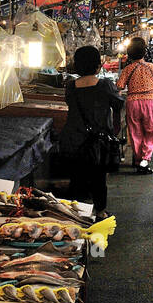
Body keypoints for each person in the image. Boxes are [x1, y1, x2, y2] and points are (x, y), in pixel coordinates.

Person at [61, 45, 124, 220]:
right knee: (98, 178)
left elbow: (70, 105)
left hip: (74, 138)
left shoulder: (71, 86)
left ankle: (77, 213)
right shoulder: (105, 85)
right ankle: (100, 212)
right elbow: (118, 104)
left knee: (77, 176)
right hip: (97, 140)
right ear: (98, 65)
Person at [116, 36, 153, 173]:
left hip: (133, 102)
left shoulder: (128, 69)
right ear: (144, 52)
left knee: (135, 132)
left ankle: (137, 159)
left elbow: (119, 85)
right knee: (150, 131)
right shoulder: (152, 67)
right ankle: (145, 160)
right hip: (149, 102)